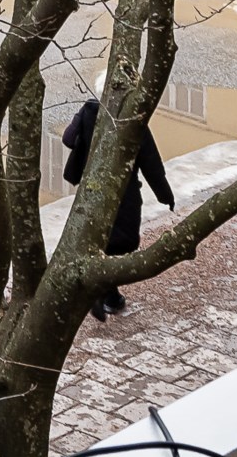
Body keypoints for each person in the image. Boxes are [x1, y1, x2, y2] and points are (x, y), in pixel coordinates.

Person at [59, 95, 175, 321]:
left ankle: (106, 294)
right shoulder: (132, 120)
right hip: (123, 191)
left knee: (101, 241)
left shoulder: (90, 110)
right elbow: (151, 162)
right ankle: (102, 291)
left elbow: (68, 138)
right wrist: (165, 195)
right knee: (125, 241)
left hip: (90, 190)